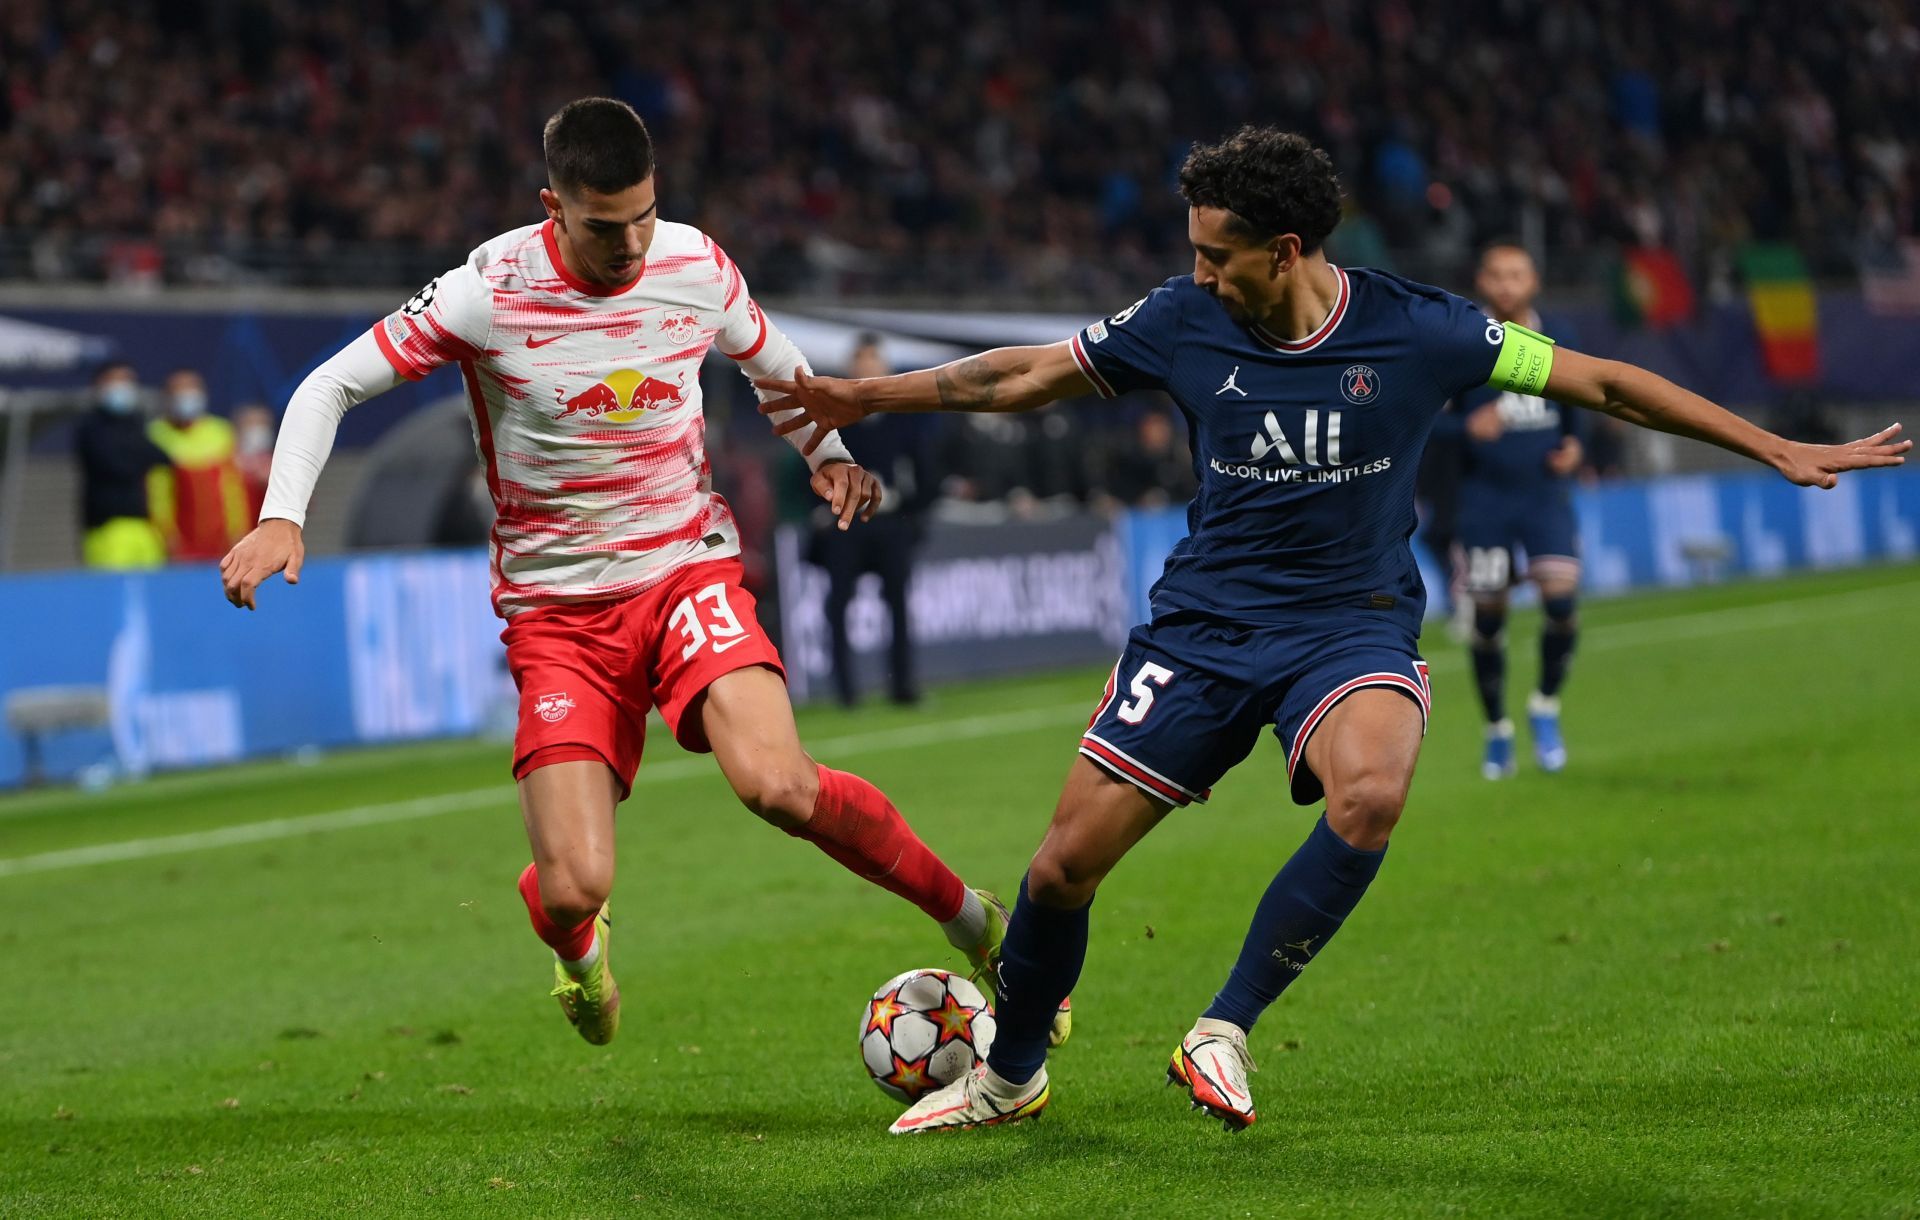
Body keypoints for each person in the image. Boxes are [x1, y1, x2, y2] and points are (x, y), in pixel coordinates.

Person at [758, 125, 1908, 1134]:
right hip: (1203, 626)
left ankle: (1223, 1026)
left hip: (1346, 626)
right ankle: (1010, 1075)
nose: (1196, 270)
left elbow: (1601, 382)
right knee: (1061, 869)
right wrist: (873, 397)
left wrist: (1774, 444)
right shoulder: (1178, 320)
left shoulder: (1427, 331)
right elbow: (1023, 377)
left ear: (1288, 251)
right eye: (1195, 247)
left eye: (1217, 252)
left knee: (1371, 792)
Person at [219, 98, 1067, 1052]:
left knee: (778, 785)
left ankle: (974, 921)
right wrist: (281, 516)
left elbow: (776, 368)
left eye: (642, 217)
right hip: (556, 611)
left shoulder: (693, 263)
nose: (629, 244)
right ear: (554, 206)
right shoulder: (486, 290)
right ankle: (580, 957)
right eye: (602, 225)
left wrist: (824, 453)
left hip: (684, 574)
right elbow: (329, 383)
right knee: (574, 885)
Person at [1447, 243, 1584, 778]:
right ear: (1482, 281)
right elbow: (1421, 422)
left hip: (1543, 496)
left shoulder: (1559, 336)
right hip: (1484, 501)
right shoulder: (1461, 342)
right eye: (1497, 275)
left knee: (1561, 603)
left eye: (1517, 275)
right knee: (1488, 618)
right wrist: (1464, 428)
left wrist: (1576, 445)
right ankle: (1498, 728)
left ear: (1534, 281)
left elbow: (1582, 400)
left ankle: (1545, 707)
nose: (1507, 284)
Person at [810, 334, 935, 707]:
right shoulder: (834, 417)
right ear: (851, 369)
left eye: (872, 361)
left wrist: (912, 510)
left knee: (898, 604)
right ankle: (845, 692)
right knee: (838, 604)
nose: (866, 368)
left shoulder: (904, 419)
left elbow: (926, 470)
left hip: (890, 523)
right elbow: (811, 462)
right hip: (845, 523)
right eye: (860, 362)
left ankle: (903, 686)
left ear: (885, 368)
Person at [73, 361, 170, 570]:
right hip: (107, 528)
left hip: (145, 526)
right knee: (111, 596)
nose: (122, 387)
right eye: (115, 380)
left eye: (127, 380)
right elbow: (117, 466)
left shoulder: (136, 423)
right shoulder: (90, 428)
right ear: (99, 386)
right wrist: (140, 456)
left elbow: (163, 458)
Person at [149, 368, 250, 562]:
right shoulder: (156, 435)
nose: (186, 395)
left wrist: (238, 529)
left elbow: (232, 487)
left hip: (220, 538)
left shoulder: (221, 431)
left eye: (192, 389)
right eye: (179, 390)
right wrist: (165, 534)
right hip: (180, 541)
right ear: (167, 397)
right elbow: (157, 492)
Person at [233, 403, 277, 525]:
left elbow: (305, 502)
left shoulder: (278, 463)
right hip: (234, 534)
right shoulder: (226, 462)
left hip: (267, 534)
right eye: (251, 424)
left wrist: (276, 482)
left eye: (262, 425)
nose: (257, 430)